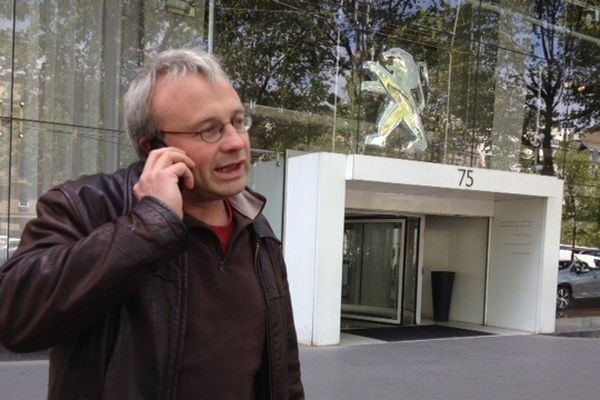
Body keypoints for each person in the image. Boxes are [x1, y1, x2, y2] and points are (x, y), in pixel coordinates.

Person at [0, 48, 304, 400]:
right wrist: (149, 224)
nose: (236, 143)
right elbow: (13, 316)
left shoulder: (257, 228)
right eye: (210, 130)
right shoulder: (87, 205)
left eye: (238, 121)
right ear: (152, 147)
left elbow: (285, 367)